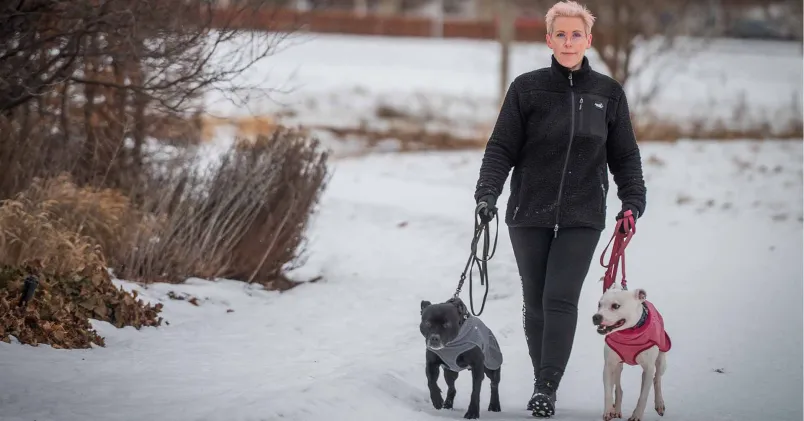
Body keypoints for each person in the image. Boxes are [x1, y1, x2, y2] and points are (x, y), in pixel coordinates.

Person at [473, 1, 647, 418]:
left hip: (582, 213)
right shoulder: (527, 89)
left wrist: (632, 202)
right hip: (528, 210)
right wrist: (487, 194)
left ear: (588, 39)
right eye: (561, 34)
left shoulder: (608, 93)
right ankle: (541, 381)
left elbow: (624, 155)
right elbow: (502, 147)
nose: (569, 42)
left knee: (560, 299)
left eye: (577, 34)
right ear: (549, 39)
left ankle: (547, 388)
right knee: (535, 301)